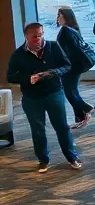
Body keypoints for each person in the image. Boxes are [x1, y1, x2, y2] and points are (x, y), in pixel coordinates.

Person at [6, 22, 81, 173]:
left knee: (61, 126)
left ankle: (71, 157)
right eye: (34, 37)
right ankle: (43, 160)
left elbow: (67, 65)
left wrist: (52, 73)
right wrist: (28, 78)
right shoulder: (18, 54)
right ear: (26, 36)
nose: (38, 39)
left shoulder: (53, 47)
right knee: (38, 129)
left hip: (54, 93)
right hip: (32, 97)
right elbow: (10, 76)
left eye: (40, 35)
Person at [54, 7, 95, 129]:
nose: (58, 17)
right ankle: (85, 111)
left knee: (70, 92)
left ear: (66, 17)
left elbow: (71, 51)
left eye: (60, 15)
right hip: (74, 66)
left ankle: (82, 115)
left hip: (70, 67)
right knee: (72, 91)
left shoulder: (66, 31)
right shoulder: (72, 29)